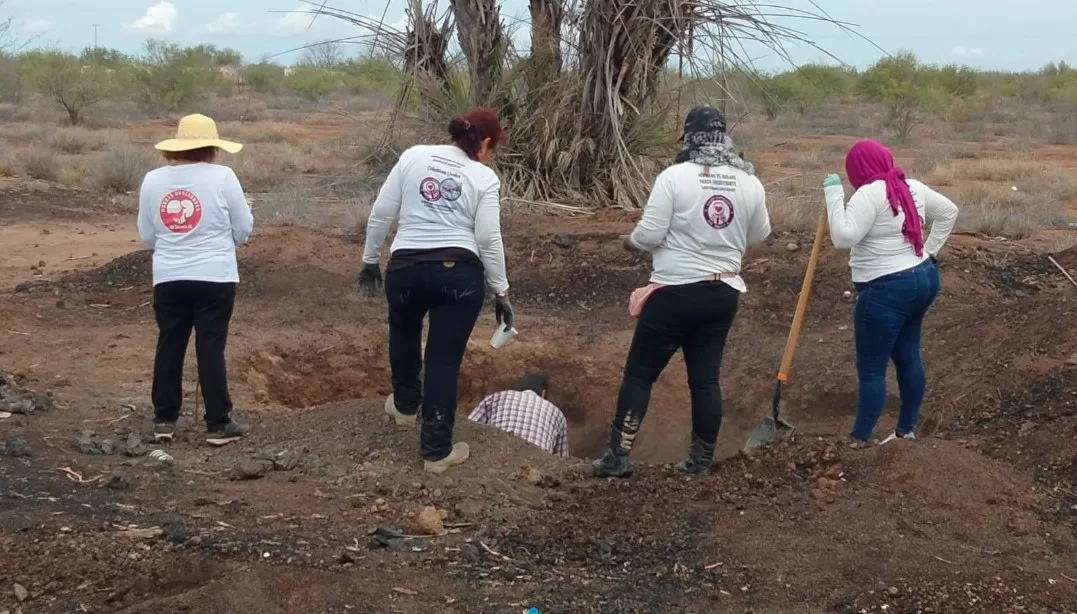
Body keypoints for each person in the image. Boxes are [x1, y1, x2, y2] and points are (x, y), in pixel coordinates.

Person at [592, 105, 771, 478]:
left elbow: (651, 234)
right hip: (723, 292)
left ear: (689, 137)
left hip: (675, 291)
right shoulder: (749, 181)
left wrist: (631, 241)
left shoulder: (674, 177)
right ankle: (700, 461)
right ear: (724, 138)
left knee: (640, 374)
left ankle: (617, 456)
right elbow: (759, 234)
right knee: (705, 379)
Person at [358, 107, 513, 474]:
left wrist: (369, 261)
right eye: (494, 147)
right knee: (443, 360)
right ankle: (436, 450)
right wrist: (501, 292)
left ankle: (405, 407)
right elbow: (488, 238)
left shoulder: (413, 156)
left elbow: (382, 212)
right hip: (458, 276)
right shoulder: (483, 177)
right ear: (485, 143)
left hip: (405, 269)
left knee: (404, 330)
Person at [823, 139, 959, 446]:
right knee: (908, 355)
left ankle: (859, 440)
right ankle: (905, 430)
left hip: (885, 289)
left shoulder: (868, 195)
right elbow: (949, 211)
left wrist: (833, 196)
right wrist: (930, 252)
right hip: (923, 278)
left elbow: (843, 237)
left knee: (872, 369)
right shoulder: (911, 186)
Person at [137, 113, 253, 446]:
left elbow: (148, 235)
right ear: (211, 147)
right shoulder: (223, 177)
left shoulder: (153, 180)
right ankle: (218, 423)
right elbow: (243, 228)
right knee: (210, 346)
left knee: (170, 343)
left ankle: (164, 419)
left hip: (169, 276)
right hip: (215, 276)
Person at [468, 374, 569, 457]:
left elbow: (468, 427)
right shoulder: (558, 415)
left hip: (493, 457)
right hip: (536, 470)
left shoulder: (498, 397)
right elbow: (562, 461)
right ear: (543, 393)